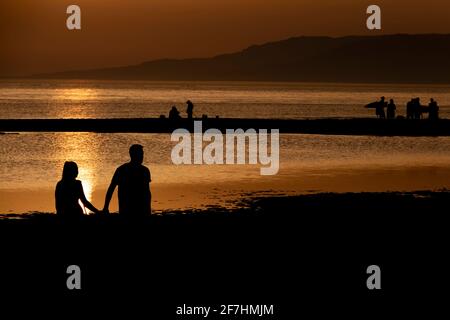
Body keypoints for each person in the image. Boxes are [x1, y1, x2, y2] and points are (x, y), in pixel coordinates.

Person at [103, 144, 151, 217]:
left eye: (142, 154)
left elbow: (147, 192)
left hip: (142, 209)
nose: (142, 157)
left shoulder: (145, 171)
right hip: (126, 209)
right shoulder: (121, 170)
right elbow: (111, 188)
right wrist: (106, 207)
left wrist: (148, 209)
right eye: (140, 154)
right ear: (132, 155)